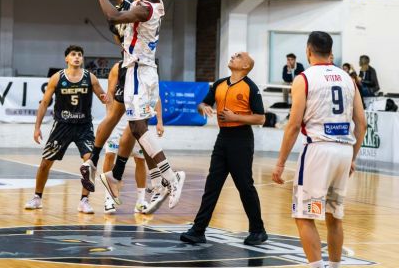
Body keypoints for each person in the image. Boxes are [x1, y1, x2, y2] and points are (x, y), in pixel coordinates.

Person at [78, 0, 174, 196]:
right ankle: (95, 161)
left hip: (138, 63)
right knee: (119, 116)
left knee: (132, 124)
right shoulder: (128, 6)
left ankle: (108, 170)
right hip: (130, 66)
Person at [93, 0, 186, 210]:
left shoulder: (144, 8)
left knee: (138, 127)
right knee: (135, 128)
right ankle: (129, 178)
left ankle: (170, 177)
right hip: (143, 70)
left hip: (139, 70)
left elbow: (112, 17)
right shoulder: (155, 3)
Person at [272, 31, 366, 268]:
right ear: (330, 51)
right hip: (344, 151)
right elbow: (362, 123)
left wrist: (281, 162)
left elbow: (293, 125)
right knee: (334, 217)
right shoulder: (348, 78)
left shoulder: (304, 78)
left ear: (308, 50)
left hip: (318, 150)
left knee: (304, 215)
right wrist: (353, 157)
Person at [181, 51, 267, 246]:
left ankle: (258, 230)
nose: (233, 56)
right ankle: (198, 230)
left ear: (245, 66)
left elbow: (261, 117)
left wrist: (236, 117)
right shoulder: (219, 83)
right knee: (212, 185)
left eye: (238, 56)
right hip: (223, 139)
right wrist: (203, 107)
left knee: (245, 186)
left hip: (241, 140)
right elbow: (203, 103)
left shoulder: (250, 88)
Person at [26, 46, 107, 214]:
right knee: (45, 164)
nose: (77, 57)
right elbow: (44, 103)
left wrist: (110, 104)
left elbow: (105, 98)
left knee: (89, 163)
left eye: (79, 55)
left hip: (84, 127)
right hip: (62, 125)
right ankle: (37, 197)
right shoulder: (57, 78)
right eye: (73, 54)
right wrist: (37, 127)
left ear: (82, 59)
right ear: (67, 59)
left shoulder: (90, 77)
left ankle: (84, 201)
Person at [101, 61, 163, 214]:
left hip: (138, 118)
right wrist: (110, 117)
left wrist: (160, 122)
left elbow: (156, 97)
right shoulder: (118, 67)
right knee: (110, 155)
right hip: (120, 116)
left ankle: (141, 200)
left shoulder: (148, 68)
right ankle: (109, 197)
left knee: (140, 159)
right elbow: (110, 93)